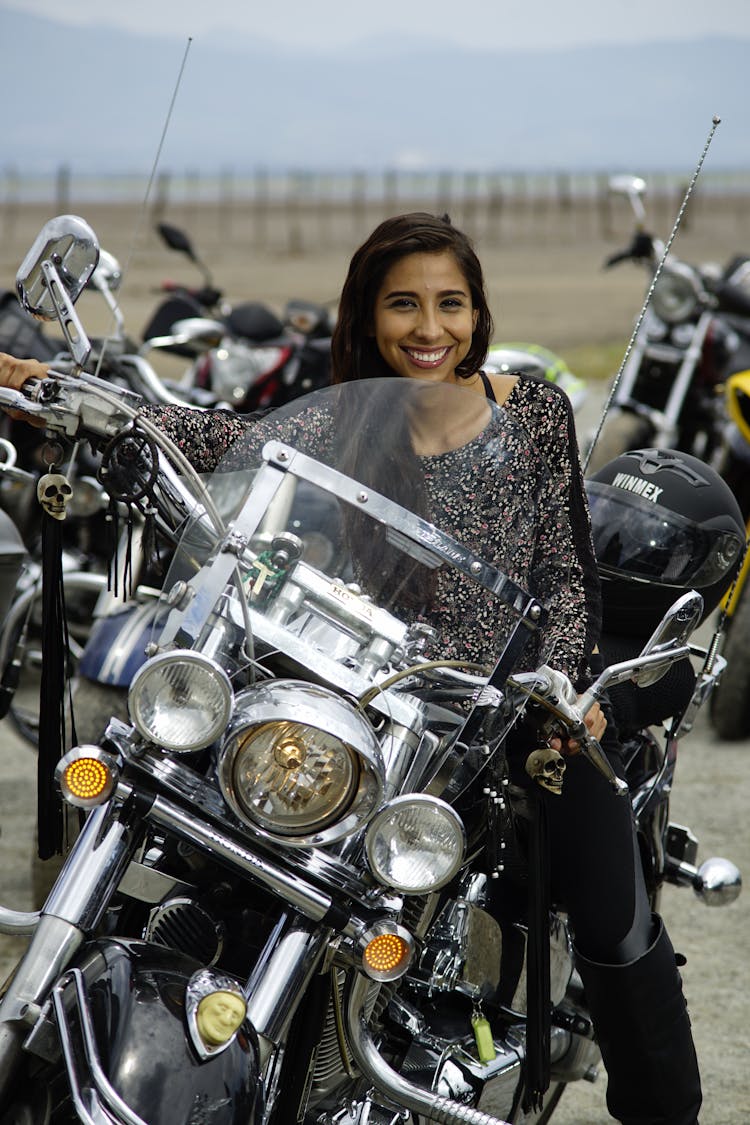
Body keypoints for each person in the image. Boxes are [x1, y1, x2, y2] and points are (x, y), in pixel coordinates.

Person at [0, 211, 701, 1124]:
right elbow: (215, 439)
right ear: (370, 315)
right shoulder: (342, 415)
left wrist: (563, 686)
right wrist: (62, 391)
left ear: (477, 313)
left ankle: (666, 1107)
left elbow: (566, 576)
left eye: (450, 303)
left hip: (494, 711)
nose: (428, 327)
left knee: (601, 871)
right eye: (403, 303)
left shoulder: (532, 416)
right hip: (357, 691)